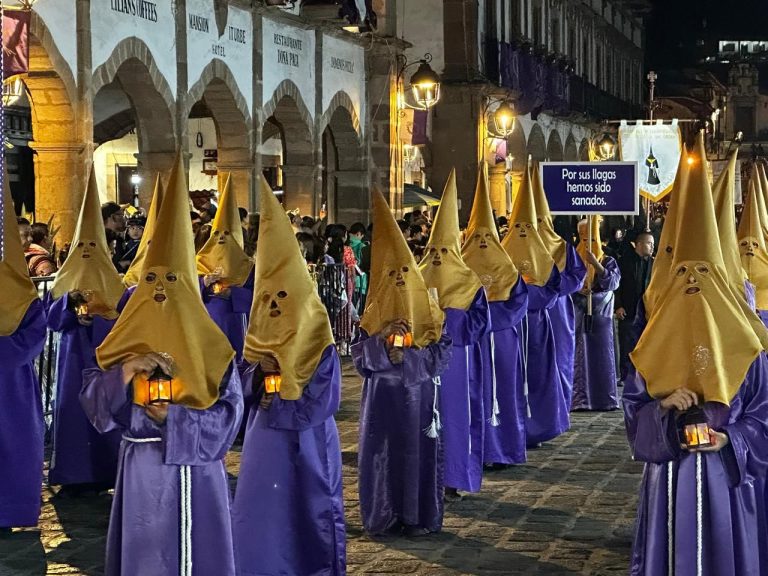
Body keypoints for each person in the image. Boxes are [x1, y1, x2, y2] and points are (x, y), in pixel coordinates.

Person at [84, 152, 242, 576]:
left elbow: (229, 416)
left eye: (171, 282)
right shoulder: (127, 339)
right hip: (141, 470)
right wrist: (124, 372)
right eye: (152, 281)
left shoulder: (213, 348)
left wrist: (176, 418)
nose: (159, 293)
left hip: (198, 472)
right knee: (146, 551)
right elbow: (96, 406)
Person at [625, 134, 768, 575]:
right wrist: (664, 406)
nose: (693, 283)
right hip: (671, 475)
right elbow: (634, 409)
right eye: (684, 272)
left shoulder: (750, 349)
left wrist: (733, 439)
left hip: (727, 477)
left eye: (703, 274)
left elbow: (763, 415)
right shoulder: (653, 343)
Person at [232, 175, 345, 575]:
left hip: (307, 436)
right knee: (263, 504)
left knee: (310, 502)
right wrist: (259, 379)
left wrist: (286, 398)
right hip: (266, 434)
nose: (276, 306)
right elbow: (240, 384)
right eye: (269, 299)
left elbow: (325, 396)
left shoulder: (321, 341)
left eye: (285, 297)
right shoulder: (257, 341)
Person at [354, 186, 451, 536]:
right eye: (391, 275)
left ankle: (417, 515)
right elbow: (358, 356)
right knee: (381, 456)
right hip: (381, 400)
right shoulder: (372, 313)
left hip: (418, 400)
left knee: (415, 456)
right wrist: (382, 347)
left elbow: (442, 353)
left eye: (404, 276)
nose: (397, 282)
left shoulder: (429, 313)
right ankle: (382, 514)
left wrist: (409, 358)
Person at [46, 168, 126, 494]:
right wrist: (69, 304)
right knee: (72, 412)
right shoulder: (65, 281)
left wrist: (98, 321)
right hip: (71, 357)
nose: (89, 253)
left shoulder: (114, 280)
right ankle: (74, 471)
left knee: (104, 408)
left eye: (95, 246)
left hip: (101, 357)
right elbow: (51, 319)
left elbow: (123, 317)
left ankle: (106, 469)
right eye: (84, 247)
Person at [419, 169, 490, 500]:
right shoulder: (416, 278)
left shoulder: (470, 284)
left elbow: (481, 323)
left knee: (455, 420)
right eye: (433, 252)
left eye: (443, 252)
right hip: (422, 364)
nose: (436, 259)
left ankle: (453, 476)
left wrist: (452, 323)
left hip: (457, 364)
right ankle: (423, 477)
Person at [462, 164, 528, 466]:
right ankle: (476, 450)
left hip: (500, 341)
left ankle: (503, 448)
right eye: (477, 238)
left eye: (488, 237)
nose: (483, 244)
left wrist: (488, 318)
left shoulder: (508, 270)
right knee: (473, 395)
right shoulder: (458, 269)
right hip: (471, 343)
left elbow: (517, 303)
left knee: (503, 392)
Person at [501, 161, 567, 446]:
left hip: (539, 326)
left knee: (538, 377)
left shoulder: (553, 250)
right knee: (507, 380)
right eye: (521, 226)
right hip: (508, 330)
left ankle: (538, 426)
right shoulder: (500, 250)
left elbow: (558, 286)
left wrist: (528, 295)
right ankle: (510, 429)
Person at [1, 182, 46, 532]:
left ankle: (11, 510)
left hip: (11, 387)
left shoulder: (24, 297)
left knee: (14, 450)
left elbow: (32, 338)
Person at [529, 162, 587, 408]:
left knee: (559, 359)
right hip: (528, 314)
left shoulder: (562, 248)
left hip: (558, 312)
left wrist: (552, 286)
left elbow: (577, 276)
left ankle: (559, 406)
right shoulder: (513, 247)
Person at [196, 174, 255, 362]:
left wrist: (234, 294)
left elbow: (259, 294)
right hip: (206, 319)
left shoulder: (248, 267)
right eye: (217, 233)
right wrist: (204, 282)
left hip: (235, 319)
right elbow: (184, 290)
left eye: (227, 234)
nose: (221, 238)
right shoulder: (198, 262)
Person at [571, 216, 621, 411]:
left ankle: (603, 398)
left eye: (591, 239)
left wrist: (596, 265)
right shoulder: (572, 258)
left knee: (600, 357)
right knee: (578, 357)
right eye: (584, 240)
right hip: (578, 318)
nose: (587, 244)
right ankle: (578, 398)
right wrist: (578, 289)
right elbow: (566, 282)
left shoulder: (608, 260)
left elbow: (613, 283)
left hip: (600, 319)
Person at [614, 232, 654, 383]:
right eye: (649, 243)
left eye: (652, 243)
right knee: (627, 344)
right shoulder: (625, 262)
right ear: (638, 244)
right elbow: (618, 286)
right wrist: (618, 306)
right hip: (629, 309)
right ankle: (626, 376)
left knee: (647, 344)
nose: (652, 247)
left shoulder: (655, 264)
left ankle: (645, 376)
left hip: (648, 311)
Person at [102, 202, 126, 269]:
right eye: (121, 215)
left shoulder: (119, 238)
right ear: (113, 217)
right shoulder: (99, 239)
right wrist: (120, 266)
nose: (124, 219)